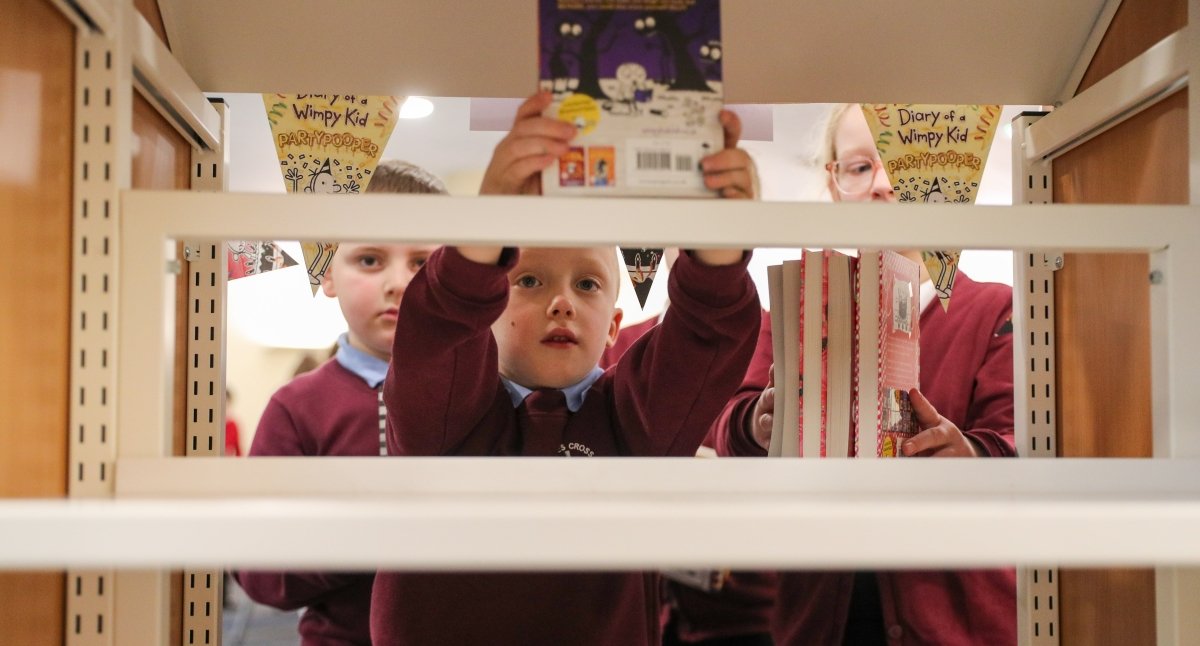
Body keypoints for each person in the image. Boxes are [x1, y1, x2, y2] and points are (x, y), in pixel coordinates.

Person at [369, 91, 762, 646]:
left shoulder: (633, 419)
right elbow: (438, 328)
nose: (562, 303)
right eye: (529, 281)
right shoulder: (449, 413)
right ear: (488, 305)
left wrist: (718, 251)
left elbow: (703, 339)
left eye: (587, 284)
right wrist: (489, 223)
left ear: (612, 325)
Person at [712, 103, 1017, 645]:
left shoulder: (997, 313)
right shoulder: (789, 313)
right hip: (819, 621)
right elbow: (733, 428)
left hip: (962, 624)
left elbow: (1023, 443)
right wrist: (761, 422)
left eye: (903, 165)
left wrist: (968, 455)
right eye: (858, 167)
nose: (881, 185)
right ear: (833, 187)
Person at [232, 160, 448, 646]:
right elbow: (257, 569)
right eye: (370, 260)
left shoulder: (488, 391)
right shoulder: (297, 406)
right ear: (328, 275)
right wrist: (358, 539)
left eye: (421, 262)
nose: (398, 283)